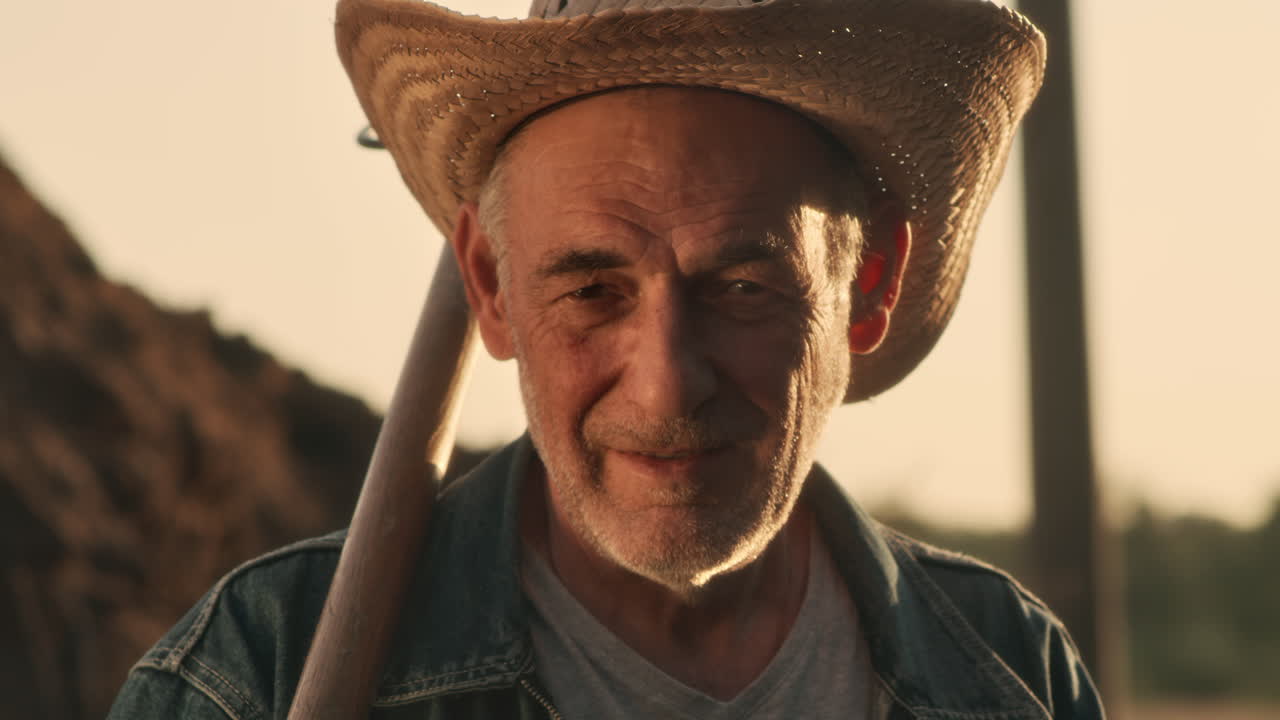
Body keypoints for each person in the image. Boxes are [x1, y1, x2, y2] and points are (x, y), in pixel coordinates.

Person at [110, 0, 1105, 717]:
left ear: (871, 281)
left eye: (741, 288)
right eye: (591, 292)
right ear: (490, 287)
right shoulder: (250, 676)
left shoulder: (1007, 676)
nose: (666, 381)